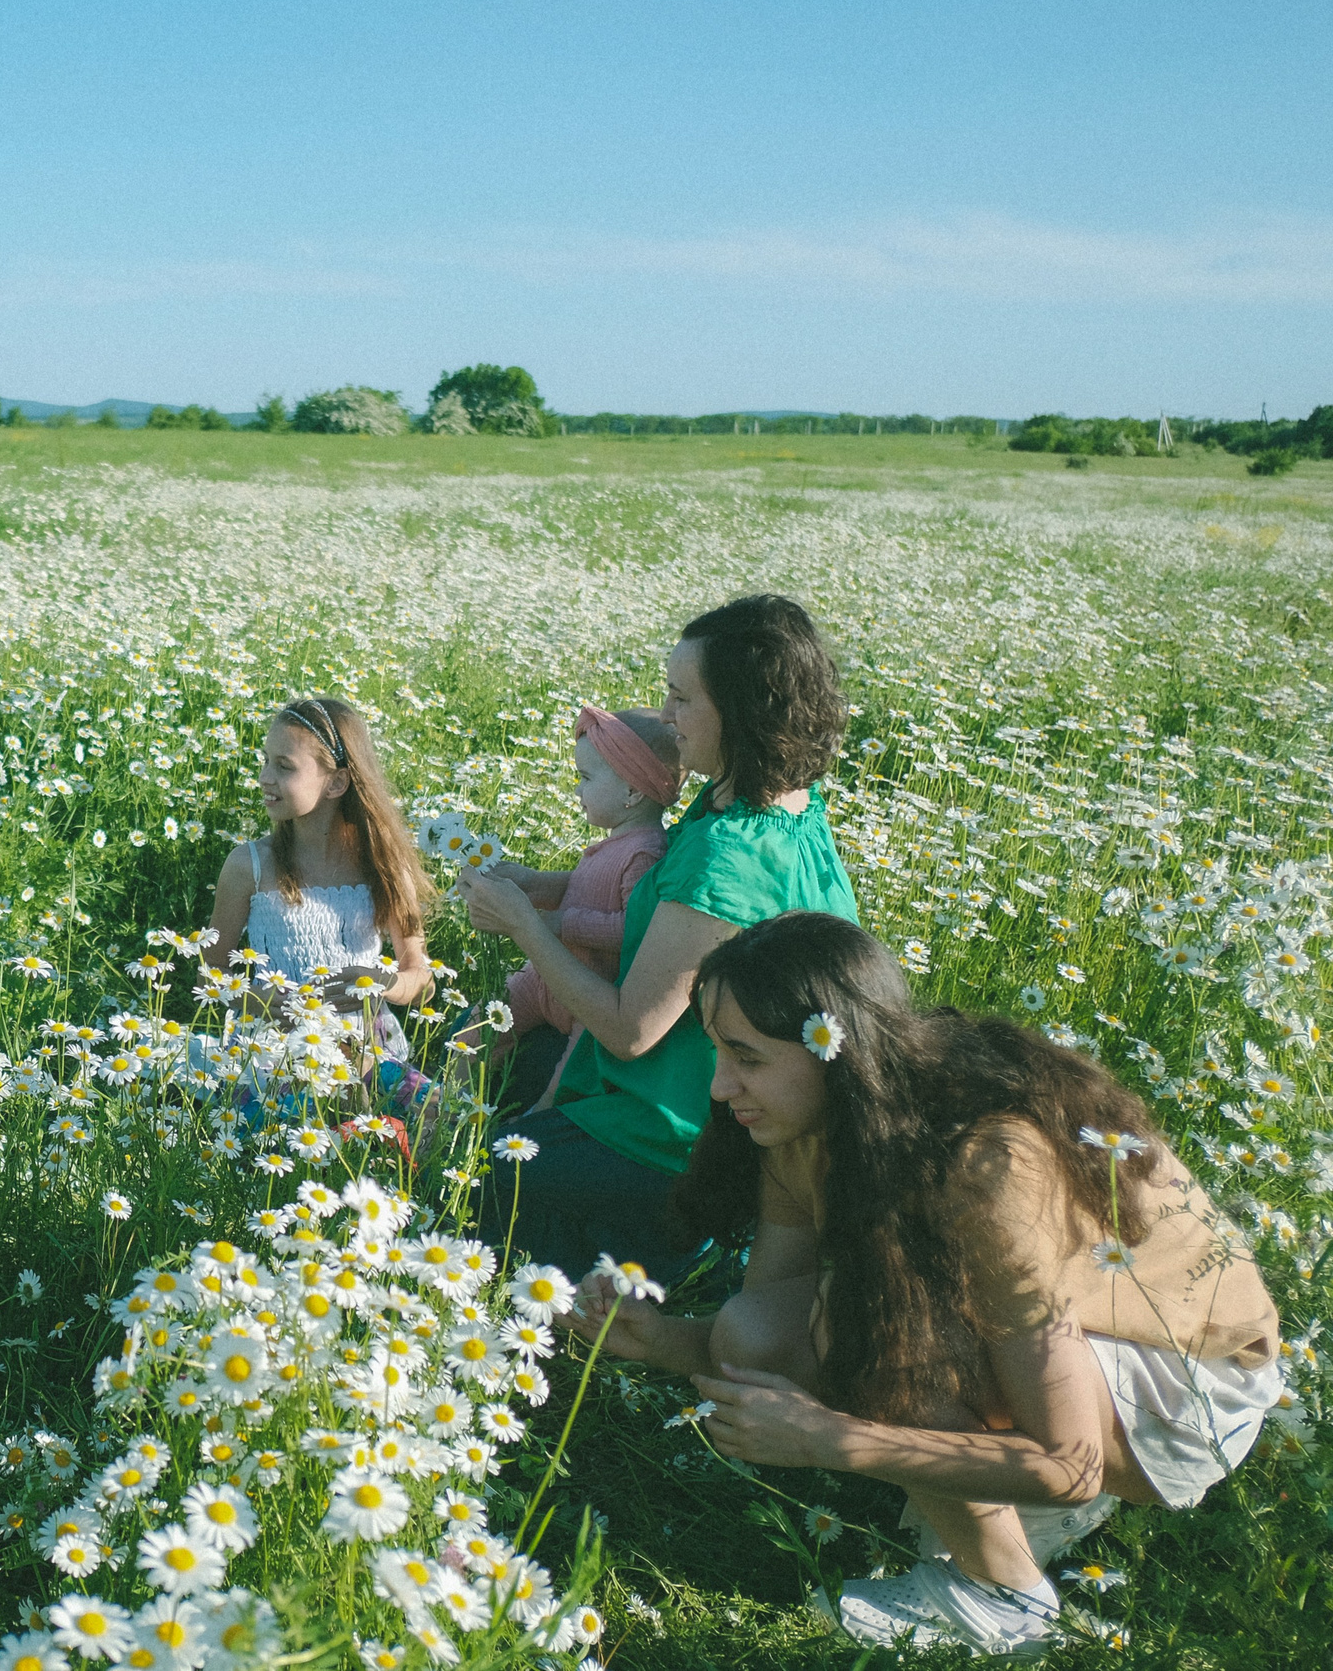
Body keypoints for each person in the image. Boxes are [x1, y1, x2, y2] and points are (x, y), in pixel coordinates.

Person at [569, 913, 1282, 1655]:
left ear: (831, 1050)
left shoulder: (986, 1167)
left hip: (1194, 1384)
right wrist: (665, 1341)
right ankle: (992, 1495)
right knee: (765, 1328)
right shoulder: (810, 1123)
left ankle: (1007, 1600)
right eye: (717, 1051)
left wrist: (836, 1440)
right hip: (1076, 1344)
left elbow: (1072, 1464)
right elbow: (771, 1325)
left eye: (746, 1057)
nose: (720, 1087)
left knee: (875, 1331)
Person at [457, 594, 858, 1280]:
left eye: (680, 697)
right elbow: (662, 899)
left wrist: (524, 925)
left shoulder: (728, 860)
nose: (665, 715)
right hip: (718, 1098)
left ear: (738, 710)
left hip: (684, 1138)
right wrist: (551, 883)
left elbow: (629, 1030)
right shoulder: (773, 802)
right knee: (513, 1059)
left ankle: (688, 1258)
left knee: (484, 1181)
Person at [200, 696, 434, 1127]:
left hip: (366, 1050)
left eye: (284, 766)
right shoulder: (249, 865)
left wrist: (384, 986)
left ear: (337, 782)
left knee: (442, 1120)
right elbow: (210, 976)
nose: (264, 778)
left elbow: (420, 977)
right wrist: (258, 999)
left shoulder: (384, 864)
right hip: (275, 1051)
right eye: (265, 761)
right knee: (303, 1135)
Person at [449, 705, 679, 1111]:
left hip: (587, 993)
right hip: (544, 977)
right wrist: (533, 883)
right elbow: (587, 890)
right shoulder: (615, 842)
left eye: (586, 779)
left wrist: (559, 923)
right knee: (479, 1031)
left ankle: (525, 1135)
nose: (576, 791)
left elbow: (632, 929)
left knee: (561, 1088)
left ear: (632, 792)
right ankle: (447, 1109)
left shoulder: (644, 852)